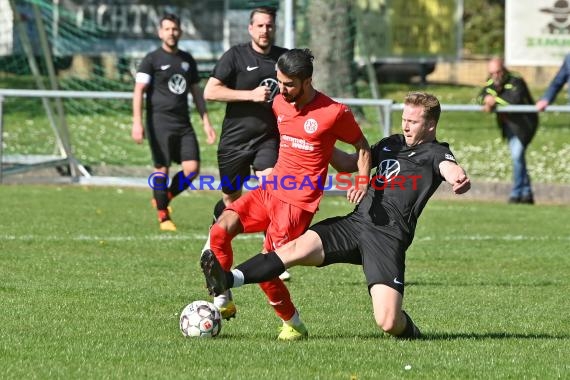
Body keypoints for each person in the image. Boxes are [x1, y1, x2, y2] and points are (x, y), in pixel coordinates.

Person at [201, 91, 471, 340]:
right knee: (291, 249)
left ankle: (414, 333)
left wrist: (458, 178)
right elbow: (346, 164)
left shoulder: (436, 152)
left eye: (413, 121)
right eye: (403, 119)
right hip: (354, 224)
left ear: (431, 126)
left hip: (387, 239)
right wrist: (319, 139)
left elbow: (450, 168)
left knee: (388, 322)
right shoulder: (392, 144)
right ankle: (227, 280)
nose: (405, 126)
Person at [200, 48, 371, 340]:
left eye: (289, 84)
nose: (281, 89)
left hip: (296, 204)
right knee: (219, 231)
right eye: (279, 81)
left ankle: (293, 323)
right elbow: (323, 151)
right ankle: (223, 298)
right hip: (268, 191)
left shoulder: (334, 112)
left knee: (267, 267)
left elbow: (362, 147)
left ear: (307, 81)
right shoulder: (279, 103)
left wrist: (363, 180)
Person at [202, 6, 291, 281]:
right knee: (231, 199)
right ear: (251, 28)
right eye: (260, 26)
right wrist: (250, 95)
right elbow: (210, 91)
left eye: (269, 26)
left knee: (270, 190)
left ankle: (273, 256)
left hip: (268, 139)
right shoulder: (235, 56)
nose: (265, 30)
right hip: (235, 140)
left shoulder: (282, 58)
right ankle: (214, 235)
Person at [132, 14, 216, 231]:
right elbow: (138, 91)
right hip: (158, 122)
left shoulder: (187, 60)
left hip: (183, 123)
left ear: (180, 31)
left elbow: (196, 92)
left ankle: (164, 197)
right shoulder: (151, 59)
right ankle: (163, 218)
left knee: (192, 168)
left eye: (175, 29)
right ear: (160, 33)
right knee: (162, 168)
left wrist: (206, 122)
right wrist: (137, 123)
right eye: (167, 29)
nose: (171, 32)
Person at [479, 57, 538, 204]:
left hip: (525, 124)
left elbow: (514, 100)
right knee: (518, 158)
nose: (495, 76)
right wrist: (486, 99)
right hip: (509, 125)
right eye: (492, 73)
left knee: (517, 155)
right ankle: (526, 193)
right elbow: (481, 96)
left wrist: (494, 100)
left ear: (504, 69)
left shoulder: (516, 80)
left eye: (498, 72)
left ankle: (516, 193)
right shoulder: (491, 81)